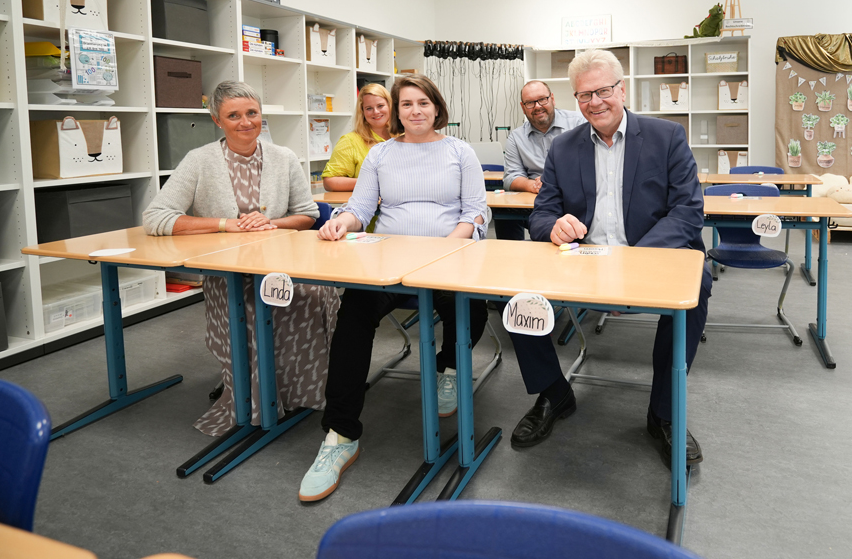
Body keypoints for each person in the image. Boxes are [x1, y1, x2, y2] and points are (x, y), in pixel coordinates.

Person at [509, 49, 712, 465]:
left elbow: (689, 212)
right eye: (584, 95)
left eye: (603, 90)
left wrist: (632, 263)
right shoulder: (563, 148)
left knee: (698, 287)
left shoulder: (666, 136)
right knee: (515, 294)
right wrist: (555, 227)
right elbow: (542, 214)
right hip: (583, 258)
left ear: (622, 89)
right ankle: (554, 392)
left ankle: (664, 412)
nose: (594, 102)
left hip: (651, 255)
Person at [300, 73, 489, 502]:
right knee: (351, 317)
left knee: (473, 308)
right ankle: (340, 434)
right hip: (387, 262)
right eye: (407, 105)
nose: (416, 111)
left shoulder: (460, 152)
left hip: (448, 258)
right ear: (396, 111)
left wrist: (443, 249)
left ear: (437, 107)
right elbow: (360, 207)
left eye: (423, 103)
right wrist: (340, 224)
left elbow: (477, 213)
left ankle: (450, 368)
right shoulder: (381, 154)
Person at [142, 81, 338, 437]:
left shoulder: (284, 158)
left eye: (252, 113)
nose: (246, 122)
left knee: (319, 294)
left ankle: (304, 392)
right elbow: (156, 217)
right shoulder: (199, 161)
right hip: (229, 274)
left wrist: (271, 221)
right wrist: (224, 224)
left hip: (283, 268)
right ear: (218, 120)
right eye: (234, 115)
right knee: (249, 310)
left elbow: (308, 213)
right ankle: (258, 398)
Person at [495, 80, 585, 240]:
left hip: (574, 199)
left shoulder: (579, 123)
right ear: (523, 107)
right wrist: (533, 185)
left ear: (552, 99)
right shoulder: (516, 138)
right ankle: (510, 258)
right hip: (537, 203)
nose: (537, 106)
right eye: (530, 103)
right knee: (503, 213)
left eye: (542, 99)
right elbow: (510, 178)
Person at [321, 82, 391, 192]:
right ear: (362, 111)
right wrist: (372, 182)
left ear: (390, 106)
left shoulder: (405, 136)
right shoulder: (350, 141)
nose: (376, 112)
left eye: (380, 106)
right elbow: (330, 182)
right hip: (371, 206)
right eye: (369, 108)